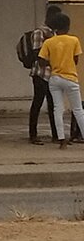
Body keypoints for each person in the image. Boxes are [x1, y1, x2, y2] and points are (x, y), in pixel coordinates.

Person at [38, 12, 84, 150]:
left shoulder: (48, 42)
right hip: (70, 78)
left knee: (58, 109)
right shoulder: (74, 40)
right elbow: (76, 60)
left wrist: (52, 64)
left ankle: (61, 140)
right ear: (68, 26)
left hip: (55, 78)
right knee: (78, 110)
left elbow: (41, 61)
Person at [27, 5, 61, 145]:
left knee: (53, 105)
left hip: (52, 73)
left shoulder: (55, 34)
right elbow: (37, 53)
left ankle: (56, 134)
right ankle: (33, 134)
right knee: (38, 103)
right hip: (40, 74)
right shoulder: (39, 33)